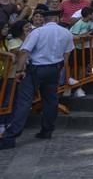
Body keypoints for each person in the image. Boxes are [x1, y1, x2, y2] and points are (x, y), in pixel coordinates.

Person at [0, 9, 74, 150]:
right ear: (57, 19)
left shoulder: (38, 32)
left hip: (36, 68)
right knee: (51, 100)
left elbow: (25, 51)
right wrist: (60, 70)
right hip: (54, 68)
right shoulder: (66, 33)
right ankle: (47, 130)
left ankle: (10, 137)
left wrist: (20, 71)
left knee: (24, 102)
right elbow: (66, 55)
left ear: (45, 19)